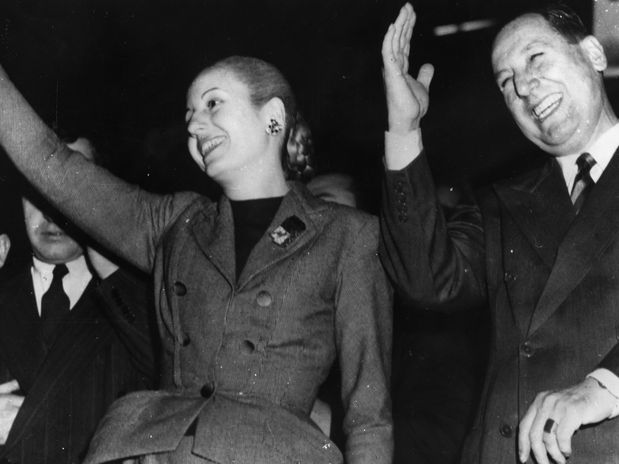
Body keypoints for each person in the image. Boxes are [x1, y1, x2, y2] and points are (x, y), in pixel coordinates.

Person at [0, 55, 393, 463]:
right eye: (189, 114)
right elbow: (53, 165)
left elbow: (370, 417)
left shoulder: (348, 235)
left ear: (273, 116)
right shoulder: (176, 222)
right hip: (155, 450)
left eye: (212, 104)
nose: (193, 125)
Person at [380, 3, 619, 464]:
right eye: (506, 82)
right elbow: (427, 281)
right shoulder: (501, 201)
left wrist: (604, 387)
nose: (524, 87)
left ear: (593, 53)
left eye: (536, 58)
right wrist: (404, 128)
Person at [0, 136, 156, 464]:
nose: (51, 211)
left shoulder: (141, 305)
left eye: (70, 188)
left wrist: (38, 427)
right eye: (35, 189)